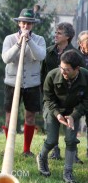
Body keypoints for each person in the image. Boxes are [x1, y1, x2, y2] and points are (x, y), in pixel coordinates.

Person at [36, 50, 88, 183]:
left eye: (67, 70)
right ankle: (41, 157)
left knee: (71, 140)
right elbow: (48, 99)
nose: (62, 72)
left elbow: (86, 101)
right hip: (53, 108)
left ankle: (68, 173)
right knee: (52, 140)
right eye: (61, 68)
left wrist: (74, 115)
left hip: (73, 110)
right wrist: (57, 114)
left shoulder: (86, 76)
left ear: (77, 69)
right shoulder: (52, 75)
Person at [1, 8, 46, 157]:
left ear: (32, 25)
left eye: (29, 23)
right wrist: (19, 44)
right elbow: (6, 58)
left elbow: (40, 56)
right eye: (23, 23)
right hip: (12, 83)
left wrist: (30, 41)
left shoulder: (39, 39)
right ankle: (9, 147)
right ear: (19, 23)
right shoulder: (9, 39)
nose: (26, 26)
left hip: (32, 84)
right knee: (9, 116)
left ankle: (26, 149)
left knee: (30, 116)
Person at [41, 22, 83, 163]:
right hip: (52, 96)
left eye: (59, 33)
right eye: (55, 32)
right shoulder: (48, 52)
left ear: (68, 37)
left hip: (71, 98)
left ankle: (72, 155)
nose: (55, 35)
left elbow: (81, 77)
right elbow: (43, 74)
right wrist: (46, 96)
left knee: (71, 133)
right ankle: (54, 151)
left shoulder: (76, 55)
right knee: (51, 129)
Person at [77, 30, 88, 158]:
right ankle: (73, 153)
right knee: (73, 123)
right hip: (77, 94)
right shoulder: (74, 56)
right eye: (86, 41)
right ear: (80, 43)